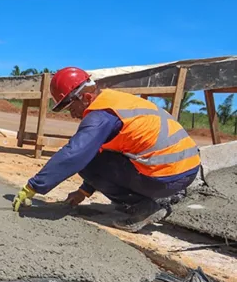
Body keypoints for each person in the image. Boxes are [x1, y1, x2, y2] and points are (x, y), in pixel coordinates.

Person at [12, 67, 201, 232]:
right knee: (93, 155)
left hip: (167, 177)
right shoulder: (114, 102)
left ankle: (143, 208)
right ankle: (146, 198)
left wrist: (33, 186)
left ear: (86, 97)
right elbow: (102, 156)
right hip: (186, 169)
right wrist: (83, 192)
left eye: (71, 106)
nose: (72, 114)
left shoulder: (101, 116)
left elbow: (74, 155)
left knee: (84, 160)